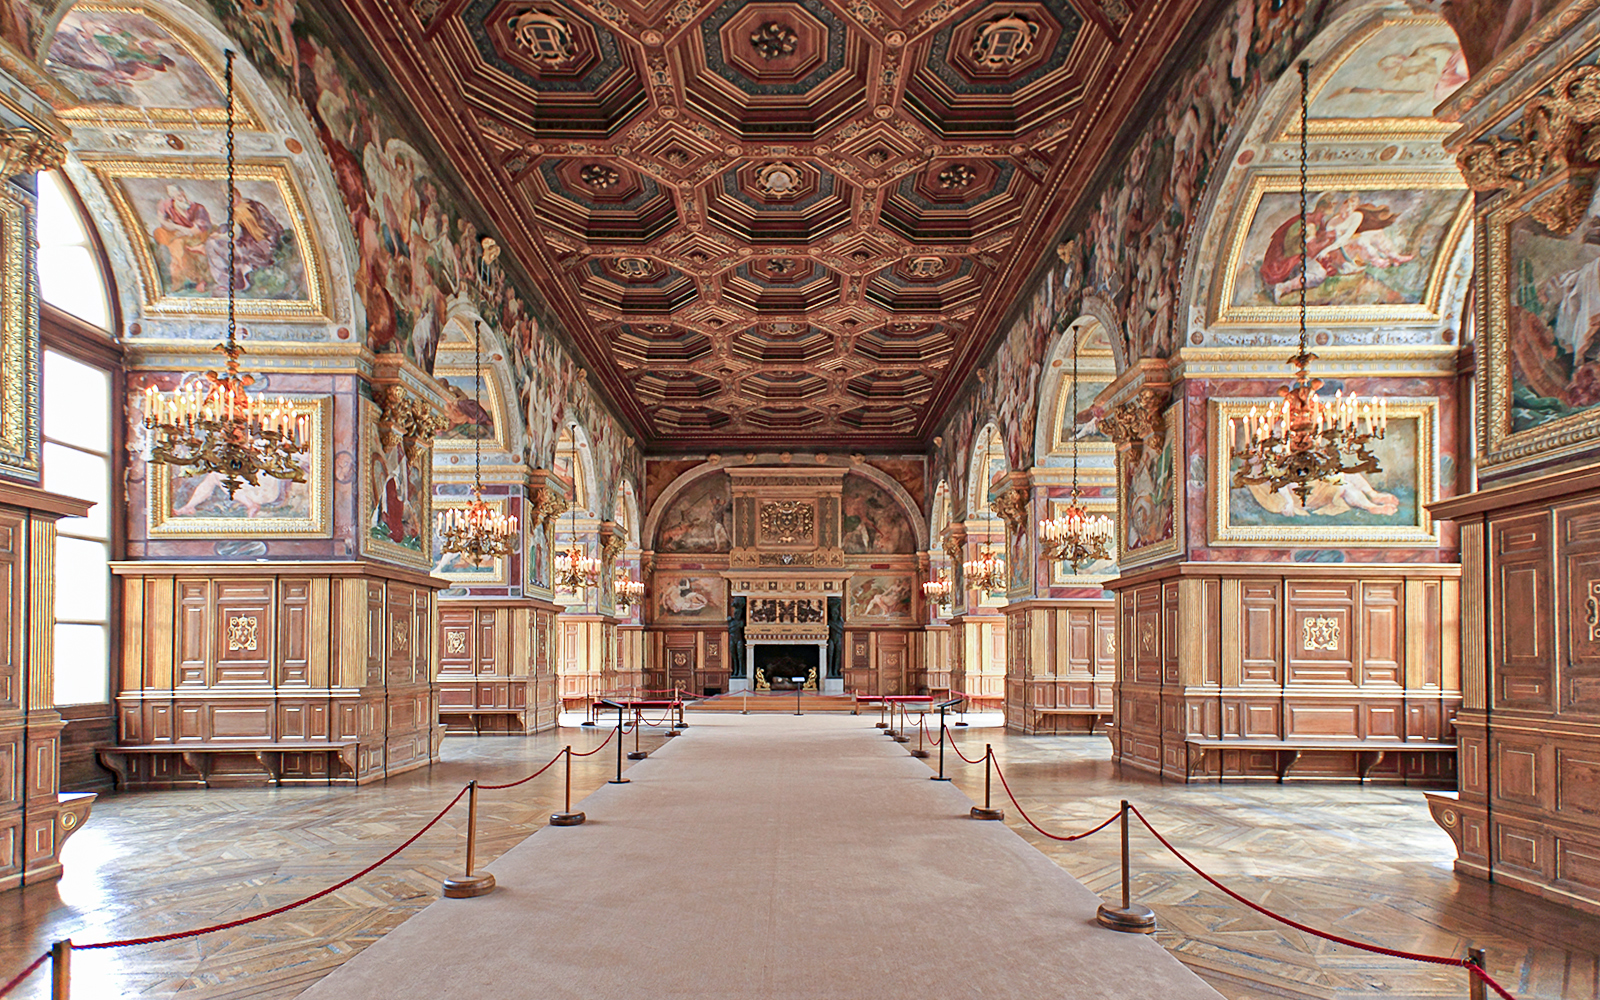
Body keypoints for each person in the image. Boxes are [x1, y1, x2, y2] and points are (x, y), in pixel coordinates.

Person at [153, 185, 213, 293]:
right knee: (164, 237)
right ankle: (179, 280)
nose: (179, 196)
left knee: (177, 245)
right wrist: (178, 227)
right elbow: (162, 220)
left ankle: (197, 279)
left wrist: (187, 231)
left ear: (183, 192)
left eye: (180, 193)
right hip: (179, 235)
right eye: (176, 195)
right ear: (172, 196)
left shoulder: (198, 208)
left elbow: (200, 229)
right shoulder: (168, 205)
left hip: (196, 236)